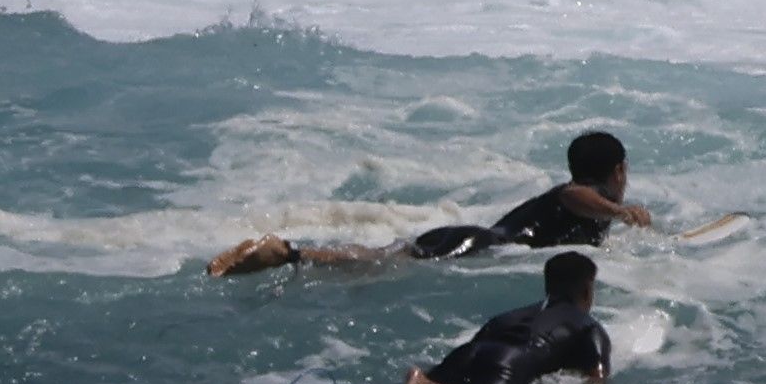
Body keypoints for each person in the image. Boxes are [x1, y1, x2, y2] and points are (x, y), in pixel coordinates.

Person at [210, 129, 666, 276]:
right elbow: (573, 195)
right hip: (476, 242)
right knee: (376, 264)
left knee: (378, 261)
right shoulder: (583, 196)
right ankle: (286, 252)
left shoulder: (586, 206)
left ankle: (289, 253)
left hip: (471, 239)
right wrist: (621, 211)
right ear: (619, 171)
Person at [329, 251, 616, 384]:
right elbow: (596, 382)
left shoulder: (512, 314)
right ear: (587, 289)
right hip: (511, 360)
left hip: (473, 351)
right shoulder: (587, 325)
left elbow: (482, 340)